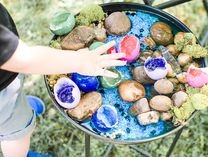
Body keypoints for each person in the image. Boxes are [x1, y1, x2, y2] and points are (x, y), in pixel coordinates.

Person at [0, 3, 126, 157]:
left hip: (6, 75)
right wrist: (79, 61)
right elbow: (23, 60)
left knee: (13, 99)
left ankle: (19, 105)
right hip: (3, 92)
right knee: (16, 133)